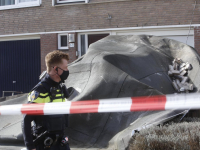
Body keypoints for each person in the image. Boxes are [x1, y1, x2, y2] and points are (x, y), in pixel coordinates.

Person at [22, 50, 71, 150]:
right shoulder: (40, 91)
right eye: (65, 67)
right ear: (56, 69)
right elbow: (26, 120)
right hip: (45, 144)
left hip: (61, 143)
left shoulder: (60, 87)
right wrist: (30, 146)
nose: (67, 70)